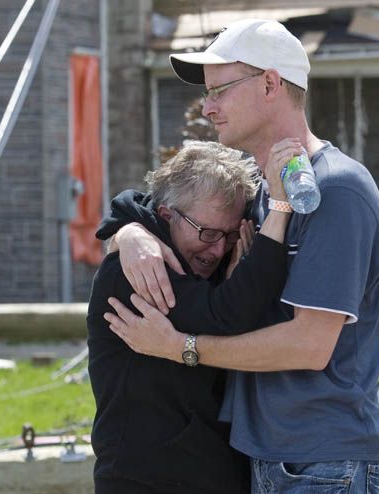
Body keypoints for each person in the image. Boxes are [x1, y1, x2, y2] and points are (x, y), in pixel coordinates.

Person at [103, 18, 379, 493]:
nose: (208, 106)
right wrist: (129, 233)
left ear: (270, 84)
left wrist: (180, 348)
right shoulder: (264, 194)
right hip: (270, 459)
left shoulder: (336, 190)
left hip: (324, 465)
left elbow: (309, 345)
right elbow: (159, 204)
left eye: (220, 89)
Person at [88, 138, 302, 494]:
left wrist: (126, 227)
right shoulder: (137, 271)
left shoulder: (199, 261)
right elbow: (223, 316)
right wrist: (279, 212)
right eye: (209, 233)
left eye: (231, 235)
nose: (218, 249)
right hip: (144, 481)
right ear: (167, 214)